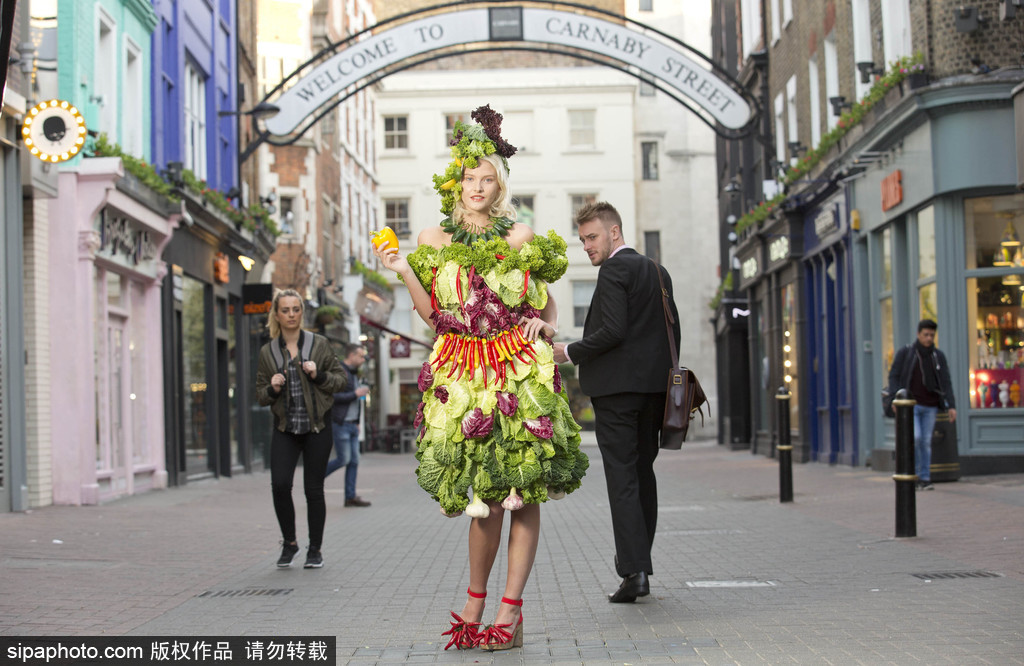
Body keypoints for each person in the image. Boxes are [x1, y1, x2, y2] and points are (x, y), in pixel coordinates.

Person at [372, 105, 588, 651]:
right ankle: (474, 600)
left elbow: (546, 300)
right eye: (471, 178)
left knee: (523, 491)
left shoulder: (519, 237)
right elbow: (430, 315)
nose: (478, 186)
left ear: (500, 186)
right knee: (485, 497)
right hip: (462, 372)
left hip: (515, 369)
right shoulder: (431, 239)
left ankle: (509, 613)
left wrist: (548, 325)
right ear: (456, 182)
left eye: (488, 179)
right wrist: (402, 273)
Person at [552, 201, 680, 603]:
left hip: (617, 394)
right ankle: (639, 566)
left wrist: (569, 351)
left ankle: (634, 572)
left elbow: (613, 331)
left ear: (614, 232)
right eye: (583, 239)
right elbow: (672, 331)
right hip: (656, 393)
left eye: (592, 237)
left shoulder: (613, 270)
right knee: (643, 477)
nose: (586, 246)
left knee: (622, 480)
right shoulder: (658, 271)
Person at [255, 289, 347, 569]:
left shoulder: (318, 345)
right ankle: (290, 543)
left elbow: (341, 380)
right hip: (285, 427)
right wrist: (272, 388)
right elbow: (260, 394)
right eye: (286, 310)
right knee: (280, 485)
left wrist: (317, 375)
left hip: (317, 427)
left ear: (301, 313)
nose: (291, 314)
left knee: (313, 489)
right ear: (277, 314)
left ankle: (315, 550)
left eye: (296, 309)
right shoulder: (268, 351)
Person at [886, 319, 957, 490]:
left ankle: (925, 478)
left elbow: (946, 381)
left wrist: (951, 405)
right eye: (926, 335)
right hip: (912, 406)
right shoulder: (907, 353)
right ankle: (915, 475)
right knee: (916, 438)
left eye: (932, 335)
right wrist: (895, 398)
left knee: (925, 441)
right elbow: (894, 375)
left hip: (931, 405)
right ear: (918, 334)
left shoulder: (937, 356)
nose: (929, 338)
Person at [325, 343, 372, 507]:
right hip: (341, 423)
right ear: (351, 355)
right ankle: (315, 478)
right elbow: (333, 397)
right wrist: (355, 393)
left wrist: (358, 422)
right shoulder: (340, 372)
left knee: (354, 461)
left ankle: (350, 497)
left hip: (352, 424)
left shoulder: (353, 374)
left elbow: (356, 403)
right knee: (343, 459)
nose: (362, 359)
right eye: (360, 356)